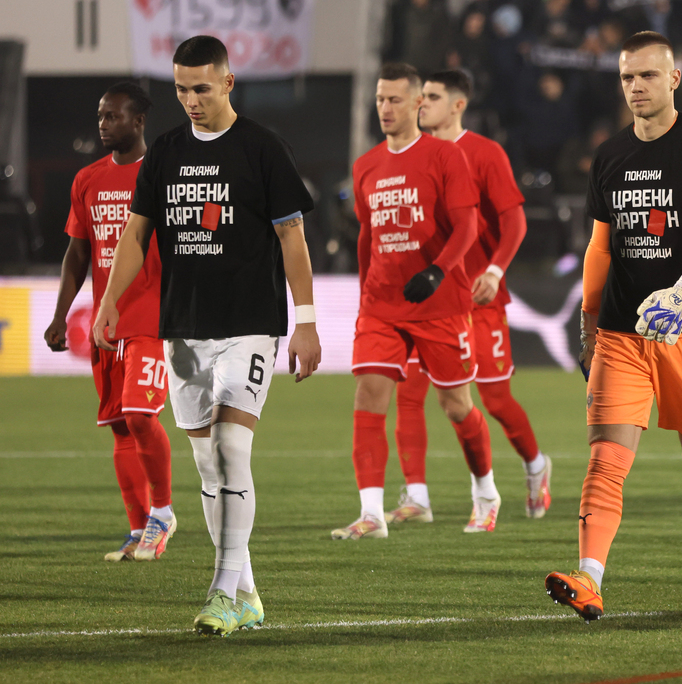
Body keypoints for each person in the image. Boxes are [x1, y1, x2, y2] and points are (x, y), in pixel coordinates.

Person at [94, 35, 321, 635]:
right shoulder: (165, 153)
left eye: (200, 87)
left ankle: (220, 591)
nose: (190, 99)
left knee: (229, 448)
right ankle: (246, 594)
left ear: (227, 83)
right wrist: (109, 302)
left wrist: (306, 321)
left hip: (249, 326)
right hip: (184, 328)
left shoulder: (263, 149)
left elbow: (292, 238)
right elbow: (136, 236)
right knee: (205, 462)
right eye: (180, 89)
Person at [545, 31, 682, 621]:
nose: (636, 87)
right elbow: (599, 249)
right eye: (627, 77)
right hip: (621, 333)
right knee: (606, 458)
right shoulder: (610, 154)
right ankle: (588, 578)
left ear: (675, 79)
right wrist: (588, 322)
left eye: (648, 76)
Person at [334, 62, 499, 540]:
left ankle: (485, 492)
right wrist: (366, 294)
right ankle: (371, 512)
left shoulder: (445, 157)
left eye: (394, 100)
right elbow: (368, 237)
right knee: (369, 397)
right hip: (382, 306)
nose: (385, 108)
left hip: (440, 303)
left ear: (417, 105)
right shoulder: (365, 166)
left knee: (455, 405)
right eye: (380, 100)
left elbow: (468, 225)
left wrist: (438, 271)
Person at [383, 69, 549, 526]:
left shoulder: (484, 153)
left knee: (493, 400)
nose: (422, 104)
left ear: (458, 104)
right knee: (411, 395)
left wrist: (494, 270)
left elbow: (514, 222)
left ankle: (535, 465)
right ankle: (417, 496)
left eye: (432, 97)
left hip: (478, 296)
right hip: (429, 301)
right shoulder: (406, 156)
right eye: (422, 96)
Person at [45, 82, 175, 563]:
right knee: (120, 425)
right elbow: (78, 252)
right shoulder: (88, 180)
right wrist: (61, 314)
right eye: (100, 116)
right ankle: (139, 529)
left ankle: (162, 513)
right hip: (108, 322)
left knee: (141, 415)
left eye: (113, 116)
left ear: (138, 121)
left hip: (153, 318)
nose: (103, 124)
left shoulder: (162, 174)